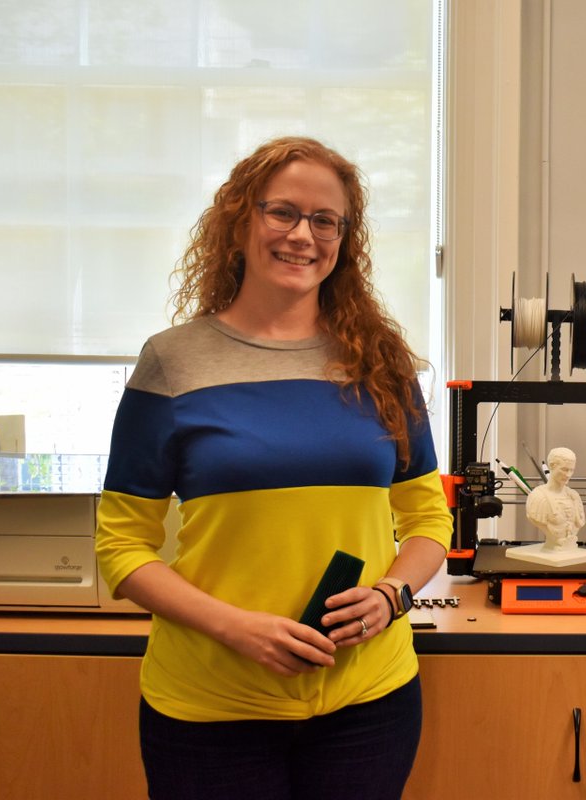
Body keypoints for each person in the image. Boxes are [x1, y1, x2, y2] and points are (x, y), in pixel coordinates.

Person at [95, 136, 452, 800]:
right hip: (211, 707)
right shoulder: (174, 363)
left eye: (326, 220)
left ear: (345, 239)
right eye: (281, 212)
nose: (303, 235)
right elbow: (120, 546)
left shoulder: (382, 361)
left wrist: (389, 596)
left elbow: (428, 517)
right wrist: (237, 629)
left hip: (368, 704)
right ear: (240, 221)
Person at [525, 447, 586, 551]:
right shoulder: (538, 497)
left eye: (571, 470)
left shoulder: (574, 496)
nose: (568, 475)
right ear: (552, 466)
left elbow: (579, 522)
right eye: (564, 469)